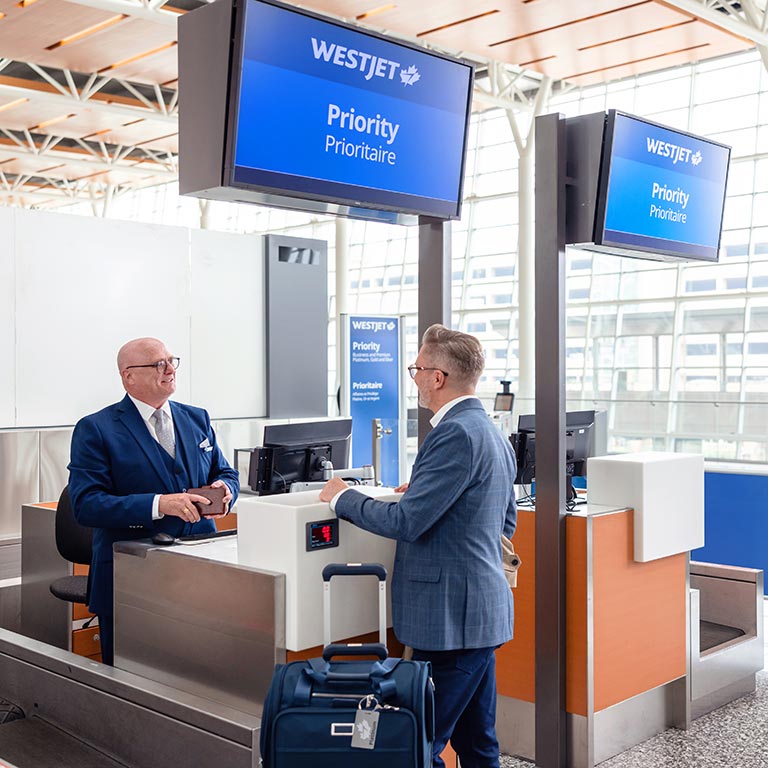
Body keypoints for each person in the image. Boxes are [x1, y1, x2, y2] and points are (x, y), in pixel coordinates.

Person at [320, 323, 517, 768]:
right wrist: (429, 493)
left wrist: (341, 497)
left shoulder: (454, 434)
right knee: (477, 742)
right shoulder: (488, 430)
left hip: (450, 623)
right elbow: (505, 521)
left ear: (437, 378)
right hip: (478, 617)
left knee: (416, 741)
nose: (414, 378)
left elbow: (407, 523)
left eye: (417, 369)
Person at [68, 337, 239, 665]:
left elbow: (226, 471)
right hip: (131, 574)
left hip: (201, 569)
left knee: (198, 671)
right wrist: (159, 504)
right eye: (158, 364)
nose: (170, 369)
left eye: (172, 360)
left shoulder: (197, 418)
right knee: (129, 680)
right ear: (128, 376)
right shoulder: (96, 429)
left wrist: (226, 487)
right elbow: (86, 504)